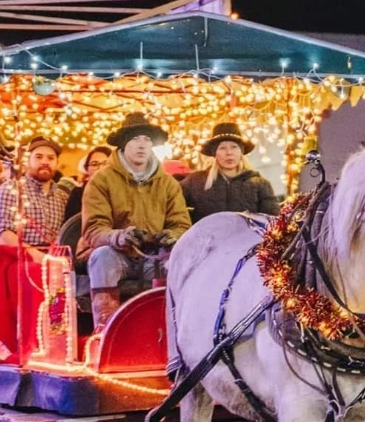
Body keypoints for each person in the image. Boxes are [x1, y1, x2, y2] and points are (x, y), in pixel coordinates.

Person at [81, 112, 190, 330]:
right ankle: (105, 330)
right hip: (117, 254)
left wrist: (173, 235)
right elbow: (93, 229)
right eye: (135, 140)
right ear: (123, 144)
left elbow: (181, 223)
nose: (142, 145)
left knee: (179, 263)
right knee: (101, 257)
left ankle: (172, 329)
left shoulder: (168, 184)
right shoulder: (101, 180)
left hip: (154, 255)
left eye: (147, 140)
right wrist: (118, 236)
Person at [0, 135, 69, 362]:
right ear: (27, 161)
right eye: (39, 157)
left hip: (53, 257)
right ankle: (28, 344)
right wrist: (35, 255)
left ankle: (61, 342)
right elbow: (3, 233)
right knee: (31, 274)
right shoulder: (10, 190)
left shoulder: (62, 196)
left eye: (50, 158)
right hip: (18, 256)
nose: (45, 162)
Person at [180, 121, 278, 223]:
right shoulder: (195, 182)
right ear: (215, 153)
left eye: (234, 147)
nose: (229, 153)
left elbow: (272, 222)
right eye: (222, 148)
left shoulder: (260, 184)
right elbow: (172, 204)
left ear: (241, 152)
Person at [64, 146, 111, 222]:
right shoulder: (78, 194)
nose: (100, 168)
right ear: (87, 169)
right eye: (94, 164)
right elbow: (71, 224)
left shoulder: (120, 192)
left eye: (105, 163)